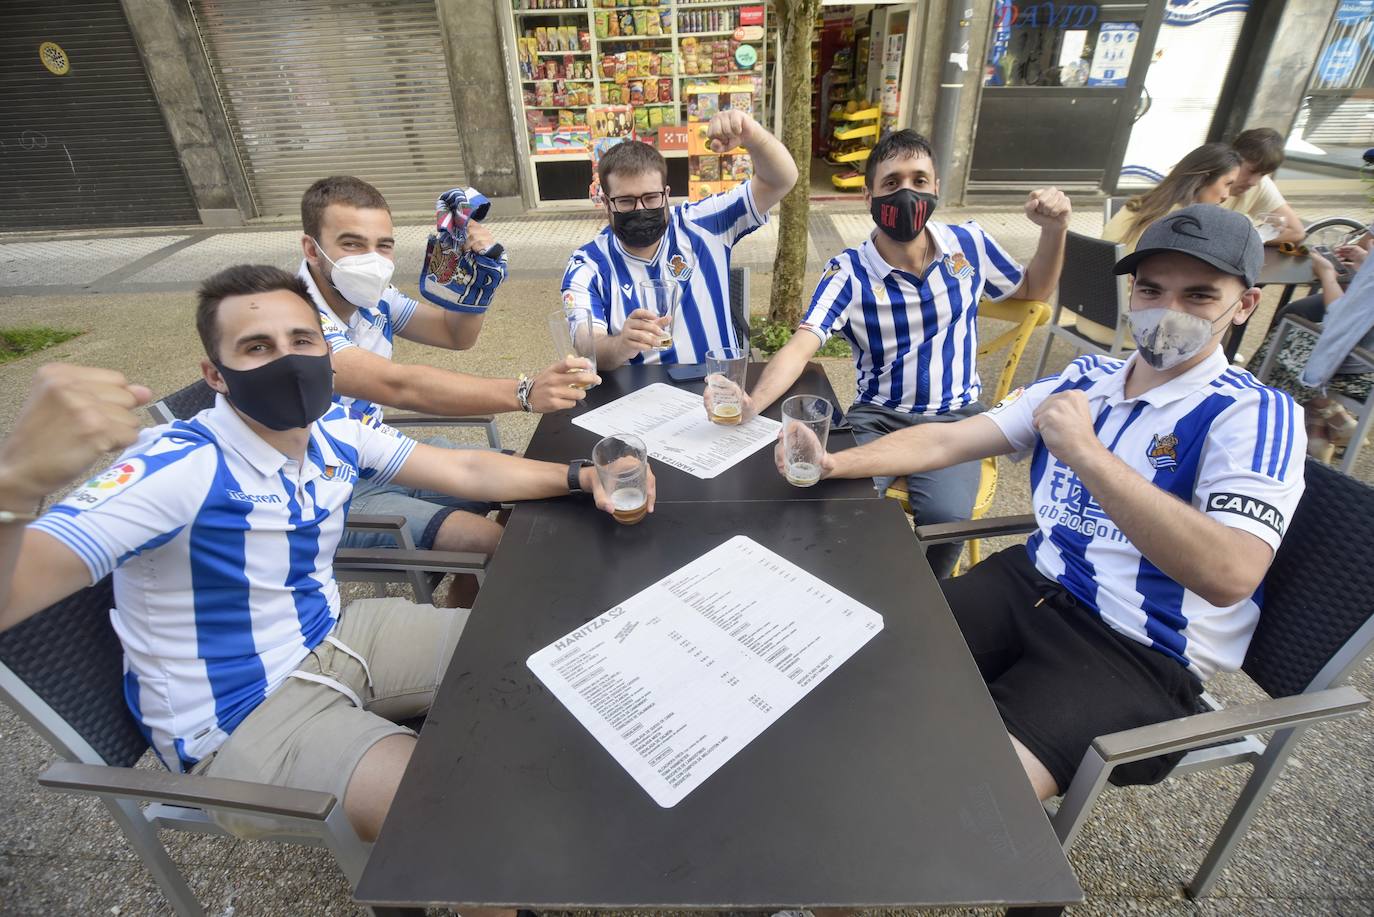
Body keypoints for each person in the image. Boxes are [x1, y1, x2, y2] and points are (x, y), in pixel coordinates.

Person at [0, 265, 652, 849]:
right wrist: (18, 480)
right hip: (241, 719)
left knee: (558, 655)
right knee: (460, 807)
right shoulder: (176, 468)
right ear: (215, 375)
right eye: (257, 347)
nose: (287, 360)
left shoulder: (330, 430)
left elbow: (467, 469)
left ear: (327, 352)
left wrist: (582, 476)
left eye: (302, 340)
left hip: (336, 635)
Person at [778, 205, 1305, 799]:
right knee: (845, 671)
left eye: (1200, 295)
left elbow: (1231, 574)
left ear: (1245, 305)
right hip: (1030, 582)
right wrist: (836, 463)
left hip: (1138, 648)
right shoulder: (1086, 379)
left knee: (958, 792)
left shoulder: (1254, 415)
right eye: (1152, 290)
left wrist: (1086, 452)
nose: (1168, 311)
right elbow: (950, 438)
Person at [720, 129, 1070, 577]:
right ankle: (853, 581)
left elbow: (1033, 289)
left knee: (946, 520)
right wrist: (753, 403)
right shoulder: (849, 272)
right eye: (891, 182)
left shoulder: (970, 244)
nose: (907, 193)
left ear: (936, 187)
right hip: (878, 416)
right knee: (840, 504)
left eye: (919, 180)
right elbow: (800, 346)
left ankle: (931, 591)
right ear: (869, 196)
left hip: (957, 418)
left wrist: (1055, 230)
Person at [299, 176, 599, 606]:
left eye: (383, 245)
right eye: (351, 244)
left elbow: (453, 334)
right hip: (328, 490)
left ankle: (465, 603)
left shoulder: (374, 297)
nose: (372, 259)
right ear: (312, 249)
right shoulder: (293, 322)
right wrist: (524, 392)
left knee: (529, 484)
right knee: (491, 540)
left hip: (381, 452)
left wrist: (475, 284)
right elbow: (399, 385)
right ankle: (462, 631)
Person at [561, 109, 799, 368]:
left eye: (651, 198)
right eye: (626, 201)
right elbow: (586, 344)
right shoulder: (588, 265)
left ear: (666, 194)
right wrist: (620, 345)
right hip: (639, 391)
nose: (641, 209)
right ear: (606, 203)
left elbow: (781, 181)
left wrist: (752, 136)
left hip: (718, 385)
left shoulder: (704, 222)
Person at [1247, 235, 1374, 460]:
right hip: (1366, 364)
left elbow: (1338, 322)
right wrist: (1367, 263)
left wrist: (1327, 274)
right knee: (1300, 322)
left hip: (1360, 372)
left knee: (1287, 337)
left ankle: (1268, 430)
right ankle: (1324, 428)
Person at [1104, 143, 1242, 253]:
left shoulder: (1139, 204)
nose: (1226, 195)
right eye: (1227, 184)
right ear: (1202, 180)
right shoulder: (1185, 225)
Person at [1223, 127, 1305, 245]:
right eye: (1251, 171)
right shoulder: (1205, 179)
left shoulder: (1261, 185)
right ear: (1232, 158)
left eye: (1263, 174)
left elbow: (1296, 231)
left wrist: (1246, 239)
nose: (1254, 182)